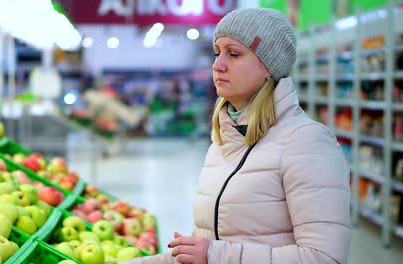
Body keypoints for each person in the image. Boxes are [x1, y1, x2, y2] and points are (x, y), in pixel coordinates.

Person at [126, 8, 351, 264]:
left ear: (269, 66)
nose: (217, 65)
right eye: (217, 52)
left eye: (233, 54)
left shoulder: (306, 143)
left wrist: (215, 255)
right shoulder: (224, 142)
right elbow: (200, 250)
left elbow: (325, 258)